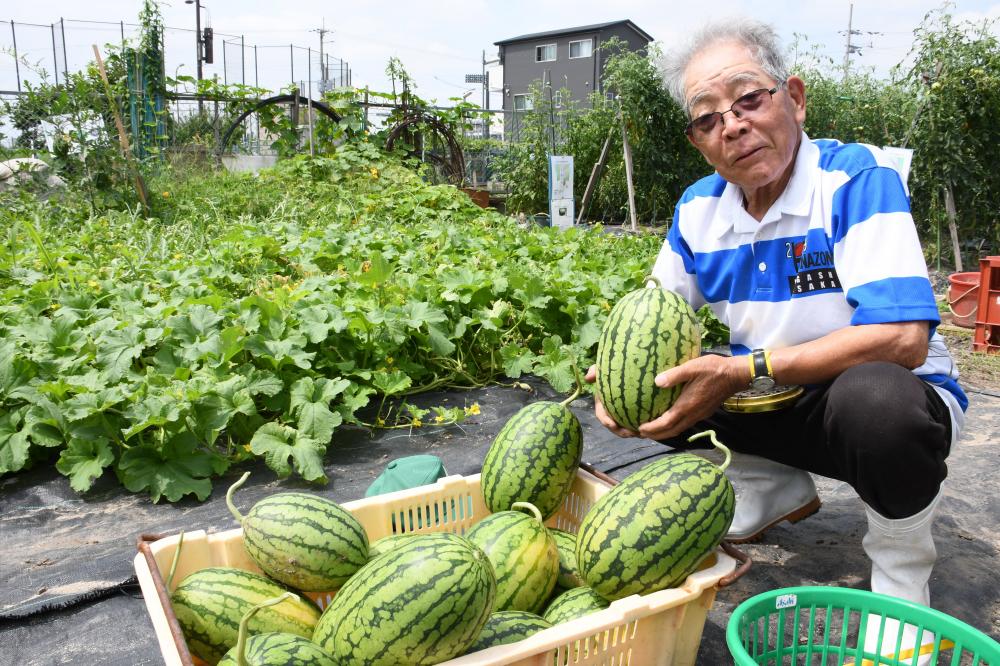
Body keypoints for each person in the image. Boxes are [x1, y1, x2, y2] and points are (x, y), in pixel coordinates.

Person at [588, 17, 967, 660]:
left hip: (866, 400)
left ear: (793, 97)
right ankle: (770, 485)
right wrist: (620, 381)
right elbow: (656, 314)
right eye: (707, 118)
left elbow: (903, 338)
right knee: (653, 392)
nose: (731, 125)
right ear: (699, 143)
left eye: (748, 99)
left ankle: (903, 576)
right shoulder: (698, 211)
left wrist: (740, 371)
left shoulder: (855, 179)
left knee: (878, 403)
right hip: (767, 396)